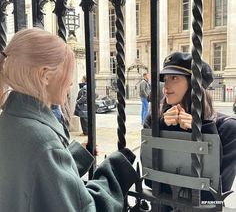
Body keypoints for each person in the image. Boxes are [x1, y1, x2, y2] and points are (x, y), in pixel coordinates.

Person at [0, 28, 138, 212]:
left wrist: (72, 157)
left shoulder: (9, 121)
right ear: (45, 75)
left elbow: (34, 183)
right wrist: (113, 172)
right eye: (68, 72)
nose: (71, 82)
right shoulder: (44, 142)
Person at [144, 51, 236, 208]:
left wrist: (205, 132)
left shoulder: (228, 128)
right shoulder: (155, 120)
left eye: (174, 78)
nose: (166, 85)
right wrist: (162, 129)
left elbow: (214, 195)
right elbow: (151, 181)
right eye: (165, 79)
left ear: (195, 84)